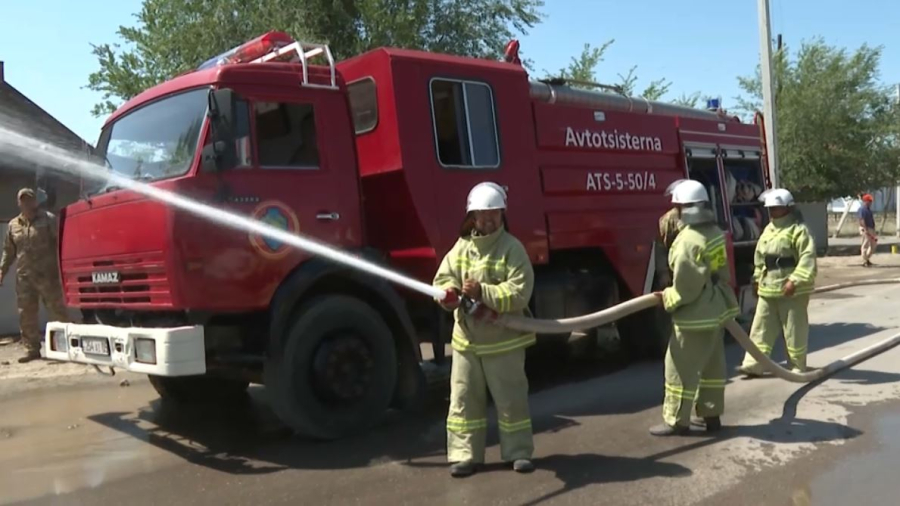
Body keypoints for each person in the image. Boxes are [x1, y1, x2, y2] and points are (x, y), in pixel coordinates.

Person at [433, 182, 536, 477]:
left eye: (493, 214)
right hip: (467, 342)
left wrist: (483, 292)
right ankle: (465, 455)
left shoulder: (511, 249)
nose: (488, 220)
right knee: (463, 400)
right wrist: (448, 294)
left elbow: (519, 293)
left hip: (502, 342)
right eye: (482, 215)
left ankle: (518, 453)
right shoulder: (461, 249)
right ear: (473, 217)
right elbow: (442, 281)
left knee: (511, 401)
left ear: (502, 214)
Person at [650, 179, 739, 436]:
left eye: (676, 207)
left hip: (693, 316)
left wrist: (667, 298)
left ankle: (677, 421)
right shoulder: (714, 233)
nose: (672, 213)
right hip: (715, 311)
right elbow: (720, 272)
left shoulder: (686, 241)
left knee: (678, 369)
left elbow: (685, 287)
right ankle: (711, 417)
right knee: (712, 367)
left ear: (684, 208)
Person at [737, 188, 817, 376]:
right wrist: (757, 279)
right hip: (768, 287)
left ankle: (797, 365)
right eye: (770, 208)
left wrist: (794, 281)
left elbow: (807, 258)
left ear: (788, 208)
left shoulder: (799, 230)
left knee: (794, 329)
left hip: (791, 289)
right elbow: (760, 257)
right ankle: (754, 364)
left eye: (776, 208)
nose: (772, 212)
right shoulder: (768, 230)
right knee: (760, 328)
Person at [0, 188, 69, 363]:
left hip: (48, 276)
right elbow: (8, 252)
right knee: (26, 315)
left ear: (35, 201)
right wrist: (1, 271)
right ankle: (31, 350)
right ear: (19, 203)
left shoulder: (48, 220)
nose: (27, 203)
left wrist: (65, 269)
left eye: (30, 199)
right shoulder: (13, 225)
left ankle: (64, 349)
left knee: (57, 313)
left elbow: (61, 245)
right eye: (23, 200)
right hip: (24, 278)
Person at [656, 206, 684, 286]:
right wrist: (663, 273)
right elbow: (661, 247)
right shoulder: (668, 219)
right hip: (677, 271)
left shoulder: (701, 218)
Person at [858, 194, 877, 267]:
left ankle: (867, 258)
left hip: (871, 228)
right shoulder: (862, 209)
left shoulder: (868, 210)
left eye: (871, 201)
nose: (871, 202)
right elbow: (861, 220)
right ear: (865, 201)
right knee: (865, 244)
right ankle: (864, 260)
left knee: (873, 244)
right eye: (869, 201)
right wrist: (865, 229)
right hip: (865, 228)